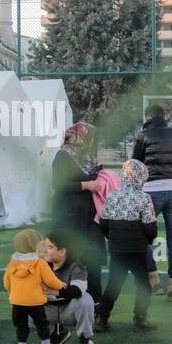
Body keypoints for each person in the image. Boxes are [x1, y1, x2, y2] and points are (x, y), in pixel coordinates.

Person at [133, 104, 172, 301]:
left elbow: (135, 163)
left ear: (149, 116)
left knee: (141, 235)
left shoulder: (143, 135)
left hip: (151, 191)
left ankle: (154, 279)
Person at [96, 159, 158, 332]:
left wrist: (114, 239)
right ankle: (140, 319)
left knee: (114, 284)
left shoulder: (113, 195)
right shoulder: (144, 198)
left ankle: (102, 319)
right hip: (137, 249)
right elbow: (150, 226)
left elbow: (103, 224)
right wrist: (149, 240)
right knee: (143, 285)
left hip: (117, 249)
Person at [50, 121, 106, 302]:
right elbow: (58, 185)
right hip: (69, 214)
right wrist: (86, 185)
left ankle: (95, 298)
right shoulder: (63, 155)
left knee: (93, 255)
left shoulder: (90, 158)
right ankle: (63, 295)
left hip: (91, 214)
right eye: (89, 137)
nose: (92, 141)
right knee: (69, 256)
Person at [3, 228, 65, 344]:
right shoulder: (39, 262)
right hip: (35, 302)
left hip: (17, 302)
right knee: (42, 325)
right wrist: (61, 285)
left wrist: (13, 293)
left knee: (21, 326)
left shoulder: (12, 263)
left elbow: (6, 282)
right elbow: (50, 280)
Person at [42, 232, 96, 344]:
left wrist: (55, 291)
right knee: (22, 305)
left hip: (68, 311)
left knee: (85, 300)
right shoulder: (40, 264)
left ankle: (85, 339)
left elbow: (77, 291)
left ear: (62, 251)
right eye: (45, 246)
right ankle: (55, 334)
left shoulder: (76, 266)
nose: (45, 250)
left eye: (50, 247)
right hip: (47, 308)